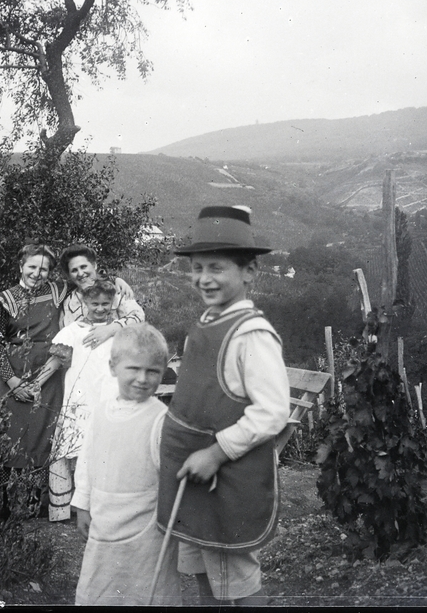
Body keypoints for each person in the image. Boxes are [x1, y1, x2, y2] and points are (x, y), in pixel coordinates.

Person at [157, 205, 289, 606]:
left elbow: (272, 412)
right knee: (203, 573)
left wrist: (216, 453)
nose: (204, 278)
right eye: (197, 268)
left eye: (217, 268)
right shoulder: (208, 320)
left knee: (236, 581)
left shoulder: (251, 335)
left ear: (249, 272)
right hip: (193, 477)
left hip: (224, 479)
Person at [71, 324, 179, 605]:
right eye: (134, 369)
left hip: (147, 525)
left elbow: (171, 476)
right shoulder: (101, 413)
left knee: (147, 587)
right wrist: (82, 504)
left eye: (153, 371)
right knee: (102, 584)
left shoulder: (161, 419)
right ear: (113, 367)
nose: (143, 379)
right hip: (105, 518)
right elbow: (87, 460)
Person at [0, 244, 70, 517]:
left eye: (44, 268)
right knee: (6, 440)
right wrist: (12, 382)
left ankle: (33, 506)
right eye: (32, 267)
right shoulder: (4, 299)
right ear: (21, 265)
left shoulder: (58, 293)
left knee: (40, 439)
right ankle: (2, 505)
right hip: (11, 374)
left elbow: (90, 284)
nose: (37, 273)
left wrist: (117, 282)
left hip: (48, 376)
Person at [45, 277, 120, 523]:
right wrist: (36, 382)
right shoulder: (72, 330)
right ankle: (75, 506)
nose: (100, 308)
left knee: (105, 448)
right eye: (95, 303)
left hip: (107, 393)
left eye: (105, 304)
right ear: (86, 301)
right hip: (81, 394)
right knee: (76, 448)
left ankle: (102, 505)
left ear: (113, 303)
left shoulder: (116, 331)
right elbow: (60, 360)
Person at [58, 244, 144, 347]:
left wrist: (110, 329)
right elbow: (67, 335)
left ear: (94, 265)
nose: (80, 273)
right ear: (69, 275)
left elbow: (138, 316)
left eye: (83, 267)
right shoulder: (69, 302)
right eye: (74, 270)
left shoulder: (115, 290)